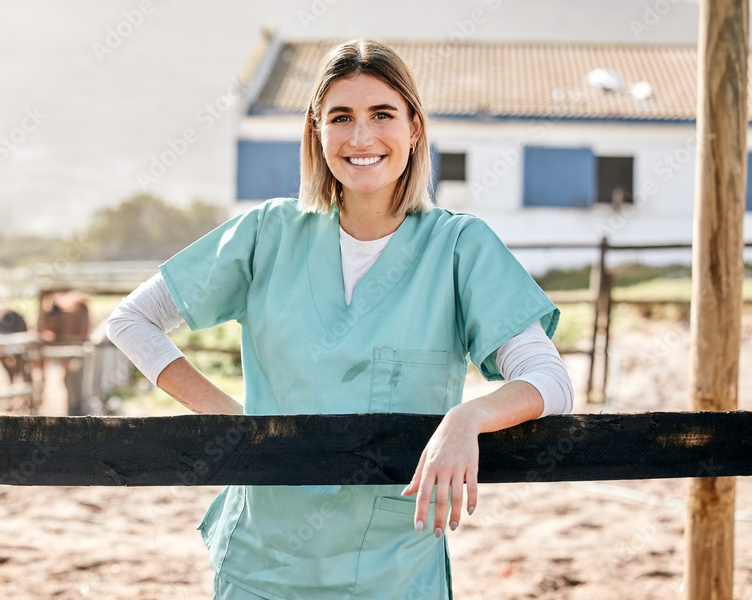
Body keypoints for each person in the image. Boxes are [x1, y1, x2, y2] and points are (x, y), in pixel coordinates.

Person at [107, 38, 573, 600]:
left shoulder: (460, 248)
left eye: (383, 114)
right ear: (317, 131)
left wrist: (466, 419)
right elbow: (132, 320)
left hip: (396, 571)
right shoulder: (265, 235)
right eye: (341, 117)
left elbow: (549, 382)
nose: (361, 137)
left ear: (415, 128)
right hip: (263, 564)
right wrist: (233, 420)